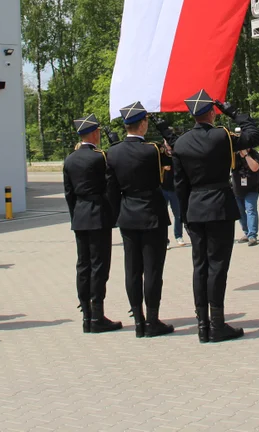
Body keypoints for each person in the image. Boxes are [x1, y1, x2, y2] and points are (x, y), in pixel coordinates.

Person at [173, 90, 259, 343]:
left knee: (199, 267)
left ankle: (202, 325)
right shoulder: (222, 136)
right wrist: (233, 112)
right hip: (220, 206)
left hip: (195, 209)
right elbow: (256, 135)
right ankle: (217, 324)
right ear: (212, 112)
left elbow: (180, 186)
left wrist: (185, 217)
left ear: (193, 115)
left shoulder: (180, 143)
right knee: (218, 267)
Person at [106, 102, 174, 338]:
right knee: (153, 270)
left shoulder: (112, 153)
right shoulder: (153, 150)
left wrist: (116, 216)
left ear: (125, 125)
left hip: (128, 215)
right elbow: (166, 179)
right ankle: (152, 320)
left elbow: (111, 190)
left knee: (132, 270)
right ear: (143, 123)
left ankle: (138, 320)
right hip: (152, 214)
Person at [63, 114, 122, 334]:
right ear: (95, 133)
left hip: (80, 215)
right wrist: (112, 214)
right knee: (99, 266)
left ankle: (86, 315)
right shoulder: (100, 157)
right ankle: (97, 315)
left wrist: (75, 215)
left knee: (83, 266)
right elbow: (110, 189)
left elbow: (69, 193)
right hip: (98, 214)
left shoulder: (70, 159)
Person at [232, 138, 259, 246]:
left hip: (252, 188)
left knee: (250, 209)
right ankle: (246, 232)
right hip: (237, 189)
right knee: (239, 213)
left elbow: (255, 168)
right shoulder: (233, 156)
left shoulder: (254, 154)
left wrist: (245, 155)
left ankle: (252, 235)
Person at [160, 139, 186, 247]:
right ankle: (164, 239)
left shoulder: (177, 153)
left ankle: (178, 236)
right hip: (163, 189)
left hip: (175, 189)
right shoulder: (160, 154)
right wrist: (162, 167)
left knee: (178, 215)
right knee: (162, 216)